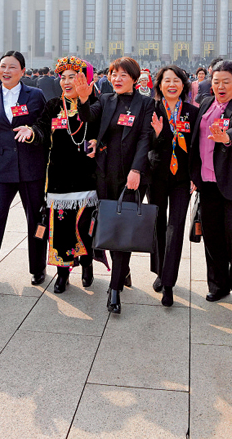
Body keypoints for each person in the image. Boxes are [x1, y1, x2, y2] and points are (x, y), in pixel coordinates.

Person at [73, 56, 156, 314]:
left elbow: (145, 137)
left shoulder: (146, 103)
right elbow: (88, 118)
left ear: (134, 78)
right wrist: (84, 99)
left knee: (124, 230)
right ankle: (123, 271)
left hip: (129, 177)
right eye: (113, 74)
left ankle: (115, 289)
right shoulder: (106, 100)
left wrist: (136, 169)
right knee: (108, 225)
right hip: (104, 174)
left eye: (123, 75)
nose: (117, 79)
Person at [15, 56, 99, 293]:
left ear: (86, 79)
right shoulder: (53, 105)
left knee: (85, 227)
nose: (66, 82)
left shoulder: (96, 103)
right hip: (59, 179)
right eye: (63, 77)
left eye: (73, 77)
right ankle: (63, 273)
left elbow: (100, 129)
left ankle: (87, 264)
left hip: (87, 178)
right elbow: (41, 127)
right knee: (61, 229)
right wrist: (31, 132)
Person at [0, 50, 48, 301]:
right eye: (3, 66)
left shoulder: (35, 96)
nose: (6, 71)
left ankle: (38, 267)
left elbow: (45, 126)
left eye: (12, 67)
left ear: (23, 71)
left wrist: (32, 130)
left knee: (35, 220)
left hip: (31, 168)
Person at [190, 60, 232, 305]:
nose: (220, 86)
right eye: (216, 81)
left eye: (226, 82)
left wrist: (226, 137)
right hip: (207, 182)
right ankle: (218, 285)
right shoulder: (205, 103)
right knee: (213, 235)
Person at [148, 65, 198, 306]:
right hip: (156, 175)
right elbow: (147, 145)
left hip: (182, 178)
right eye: (166, 80)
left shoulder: (191, 111)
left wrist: (195, 177)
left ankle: (168, 283)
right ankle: (159, 271)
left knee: (175, 228)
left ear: (183, 85)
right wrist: (159, 135)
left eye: (176, 80)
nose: (171, 84)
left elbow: (197, 147)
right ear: (159, 85)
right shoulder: (152, 109)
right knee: (157, 224)